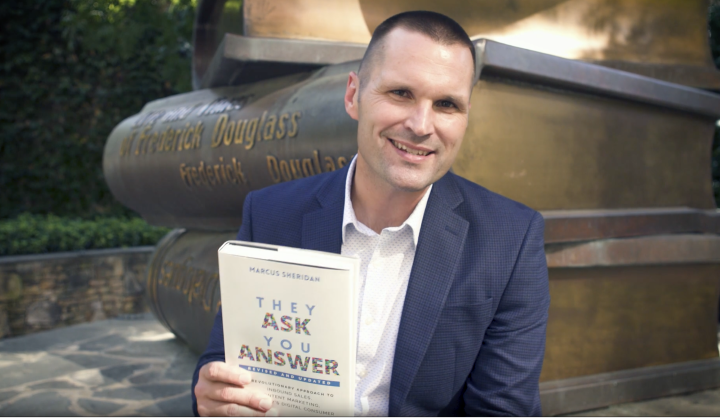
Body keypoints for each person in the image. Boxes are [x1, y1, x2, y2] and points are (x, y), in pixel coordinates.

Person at [192, 10, 549, 417]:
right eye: (400, 93)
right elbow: (225, 365)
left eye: (446, 104)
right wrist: (212, 395)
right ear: (353, 96)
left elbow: (503, 409)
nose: (420, 125)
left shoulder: (510, 241)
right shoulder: (271, 215)